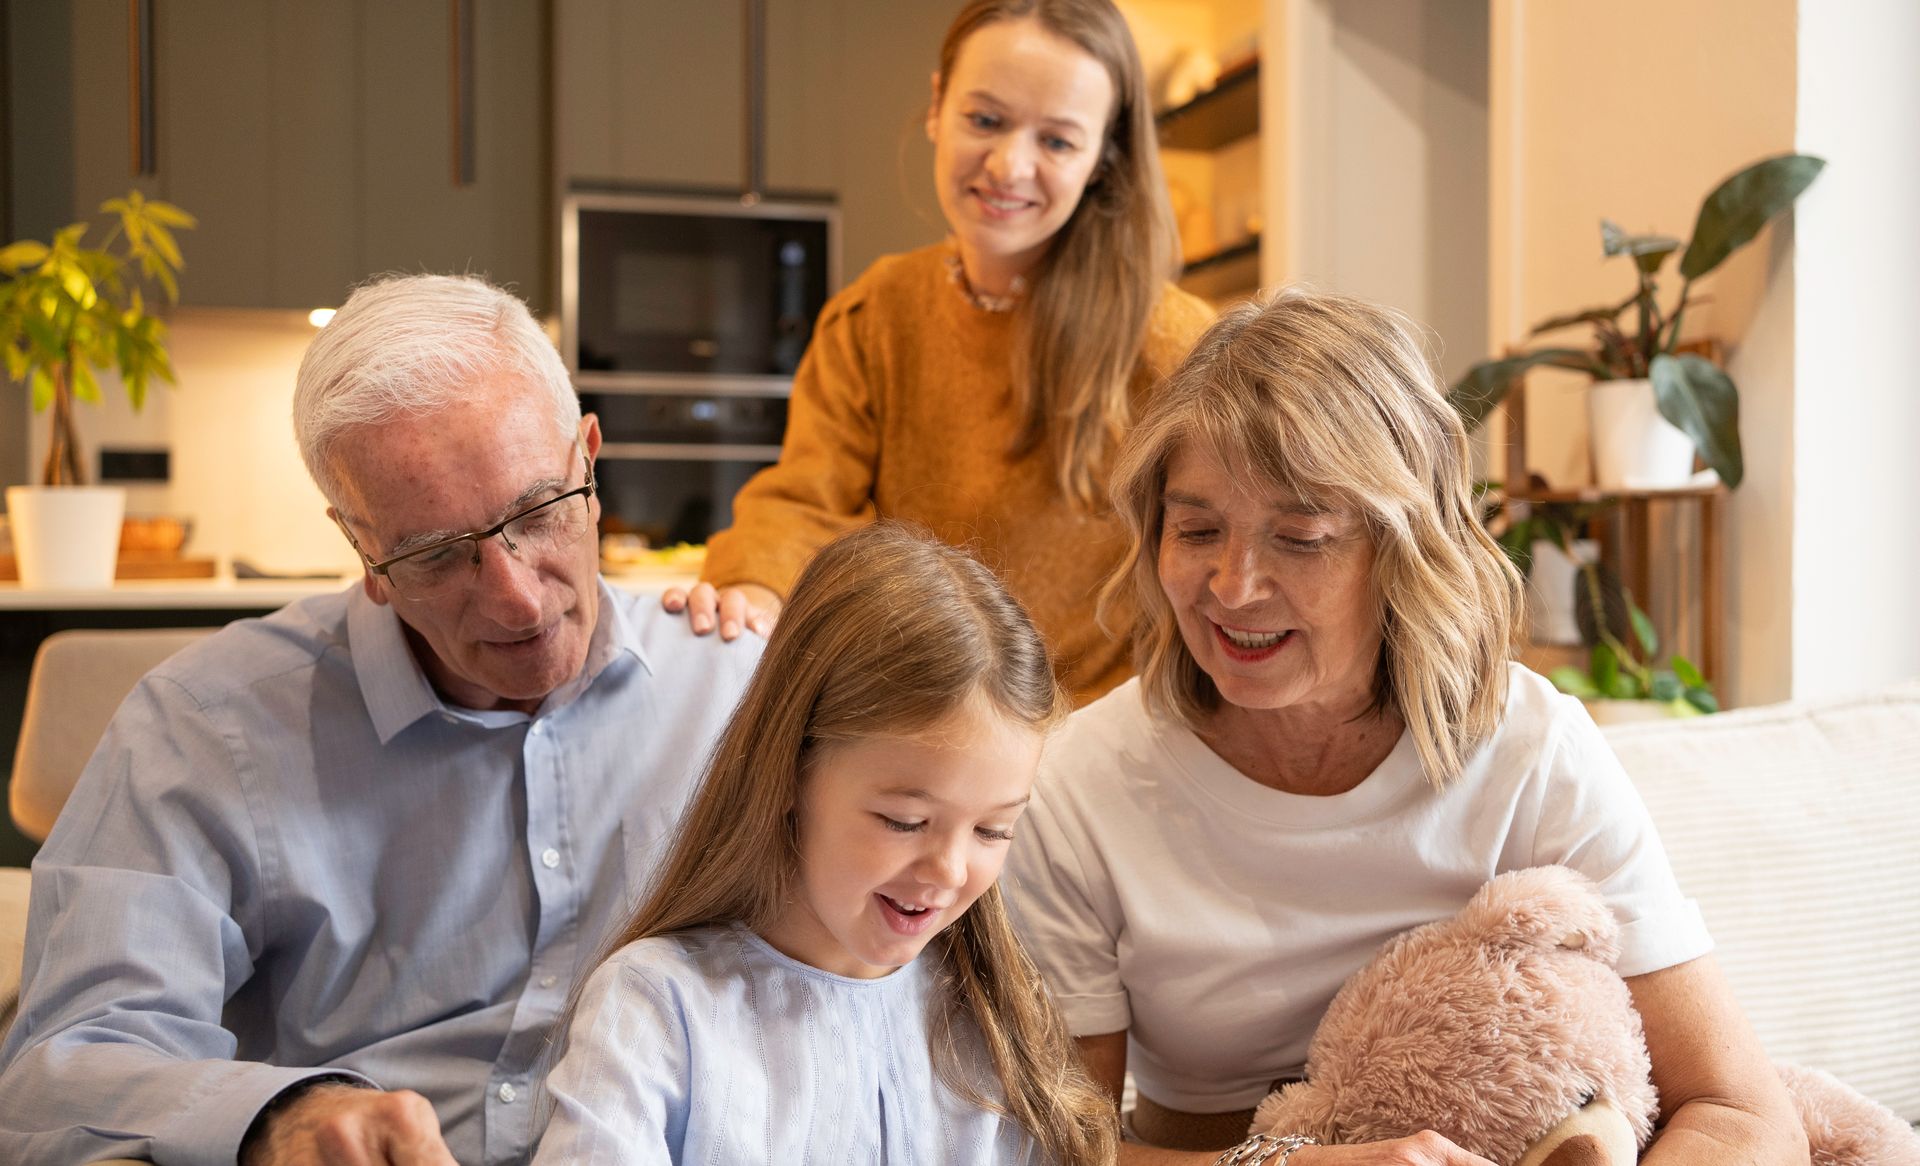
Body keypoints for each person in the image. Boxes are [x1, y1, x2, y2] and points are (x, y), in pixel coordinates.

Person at [1004, 289, 1808, 1165]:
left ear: (1404, 549)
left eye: (1301, 537)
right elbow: (1050, 1151)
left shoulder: (1532, 750)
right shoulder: (1080, 784)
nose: (1233, 586)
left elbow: (1739, 1112)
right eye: (1197, 530)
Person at [0, 274, 764, 1166]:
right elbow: (63, 1067)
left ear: (589, 463)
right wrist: (278, 1116)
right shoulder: (208, 725)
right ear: (363, 552)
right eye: (436, 555)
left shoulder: (739, 682)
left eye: (538, 511)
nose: (516, 599)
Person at [670, 0, 1215, 705]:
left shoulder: (1176, 344)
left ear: (1103, 159)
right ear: (936, 107)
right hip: (924, 725)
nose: (1009, 165)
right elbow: (806, 502)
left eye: (1057, 141)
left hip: (1102, 745)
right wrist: (755, 586)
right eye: (985, 120)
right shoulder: (876, 313)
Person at [536, 523, 1115, 1165]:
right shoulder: (656, 1009)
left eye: (992, 830)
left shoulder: (993, 1023)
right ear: (789, 773)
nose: (949, 870)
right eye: (903, 821)